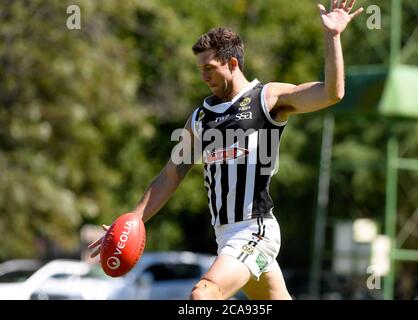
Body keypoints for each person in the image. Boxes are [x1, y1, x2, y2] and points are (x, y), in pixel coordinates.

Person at [88, 0, 363, 300]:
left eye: (209, 68)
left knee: (202, 296)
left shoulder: (267, 98)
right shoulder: (200, 118)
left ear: (232, 64)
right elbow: (171, 175)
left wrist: (332, 36)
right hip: (226, 237)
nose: (203, 77)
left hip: (255, 232)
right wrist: (131, 222)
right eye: (200, 70)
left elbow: (332, 93)